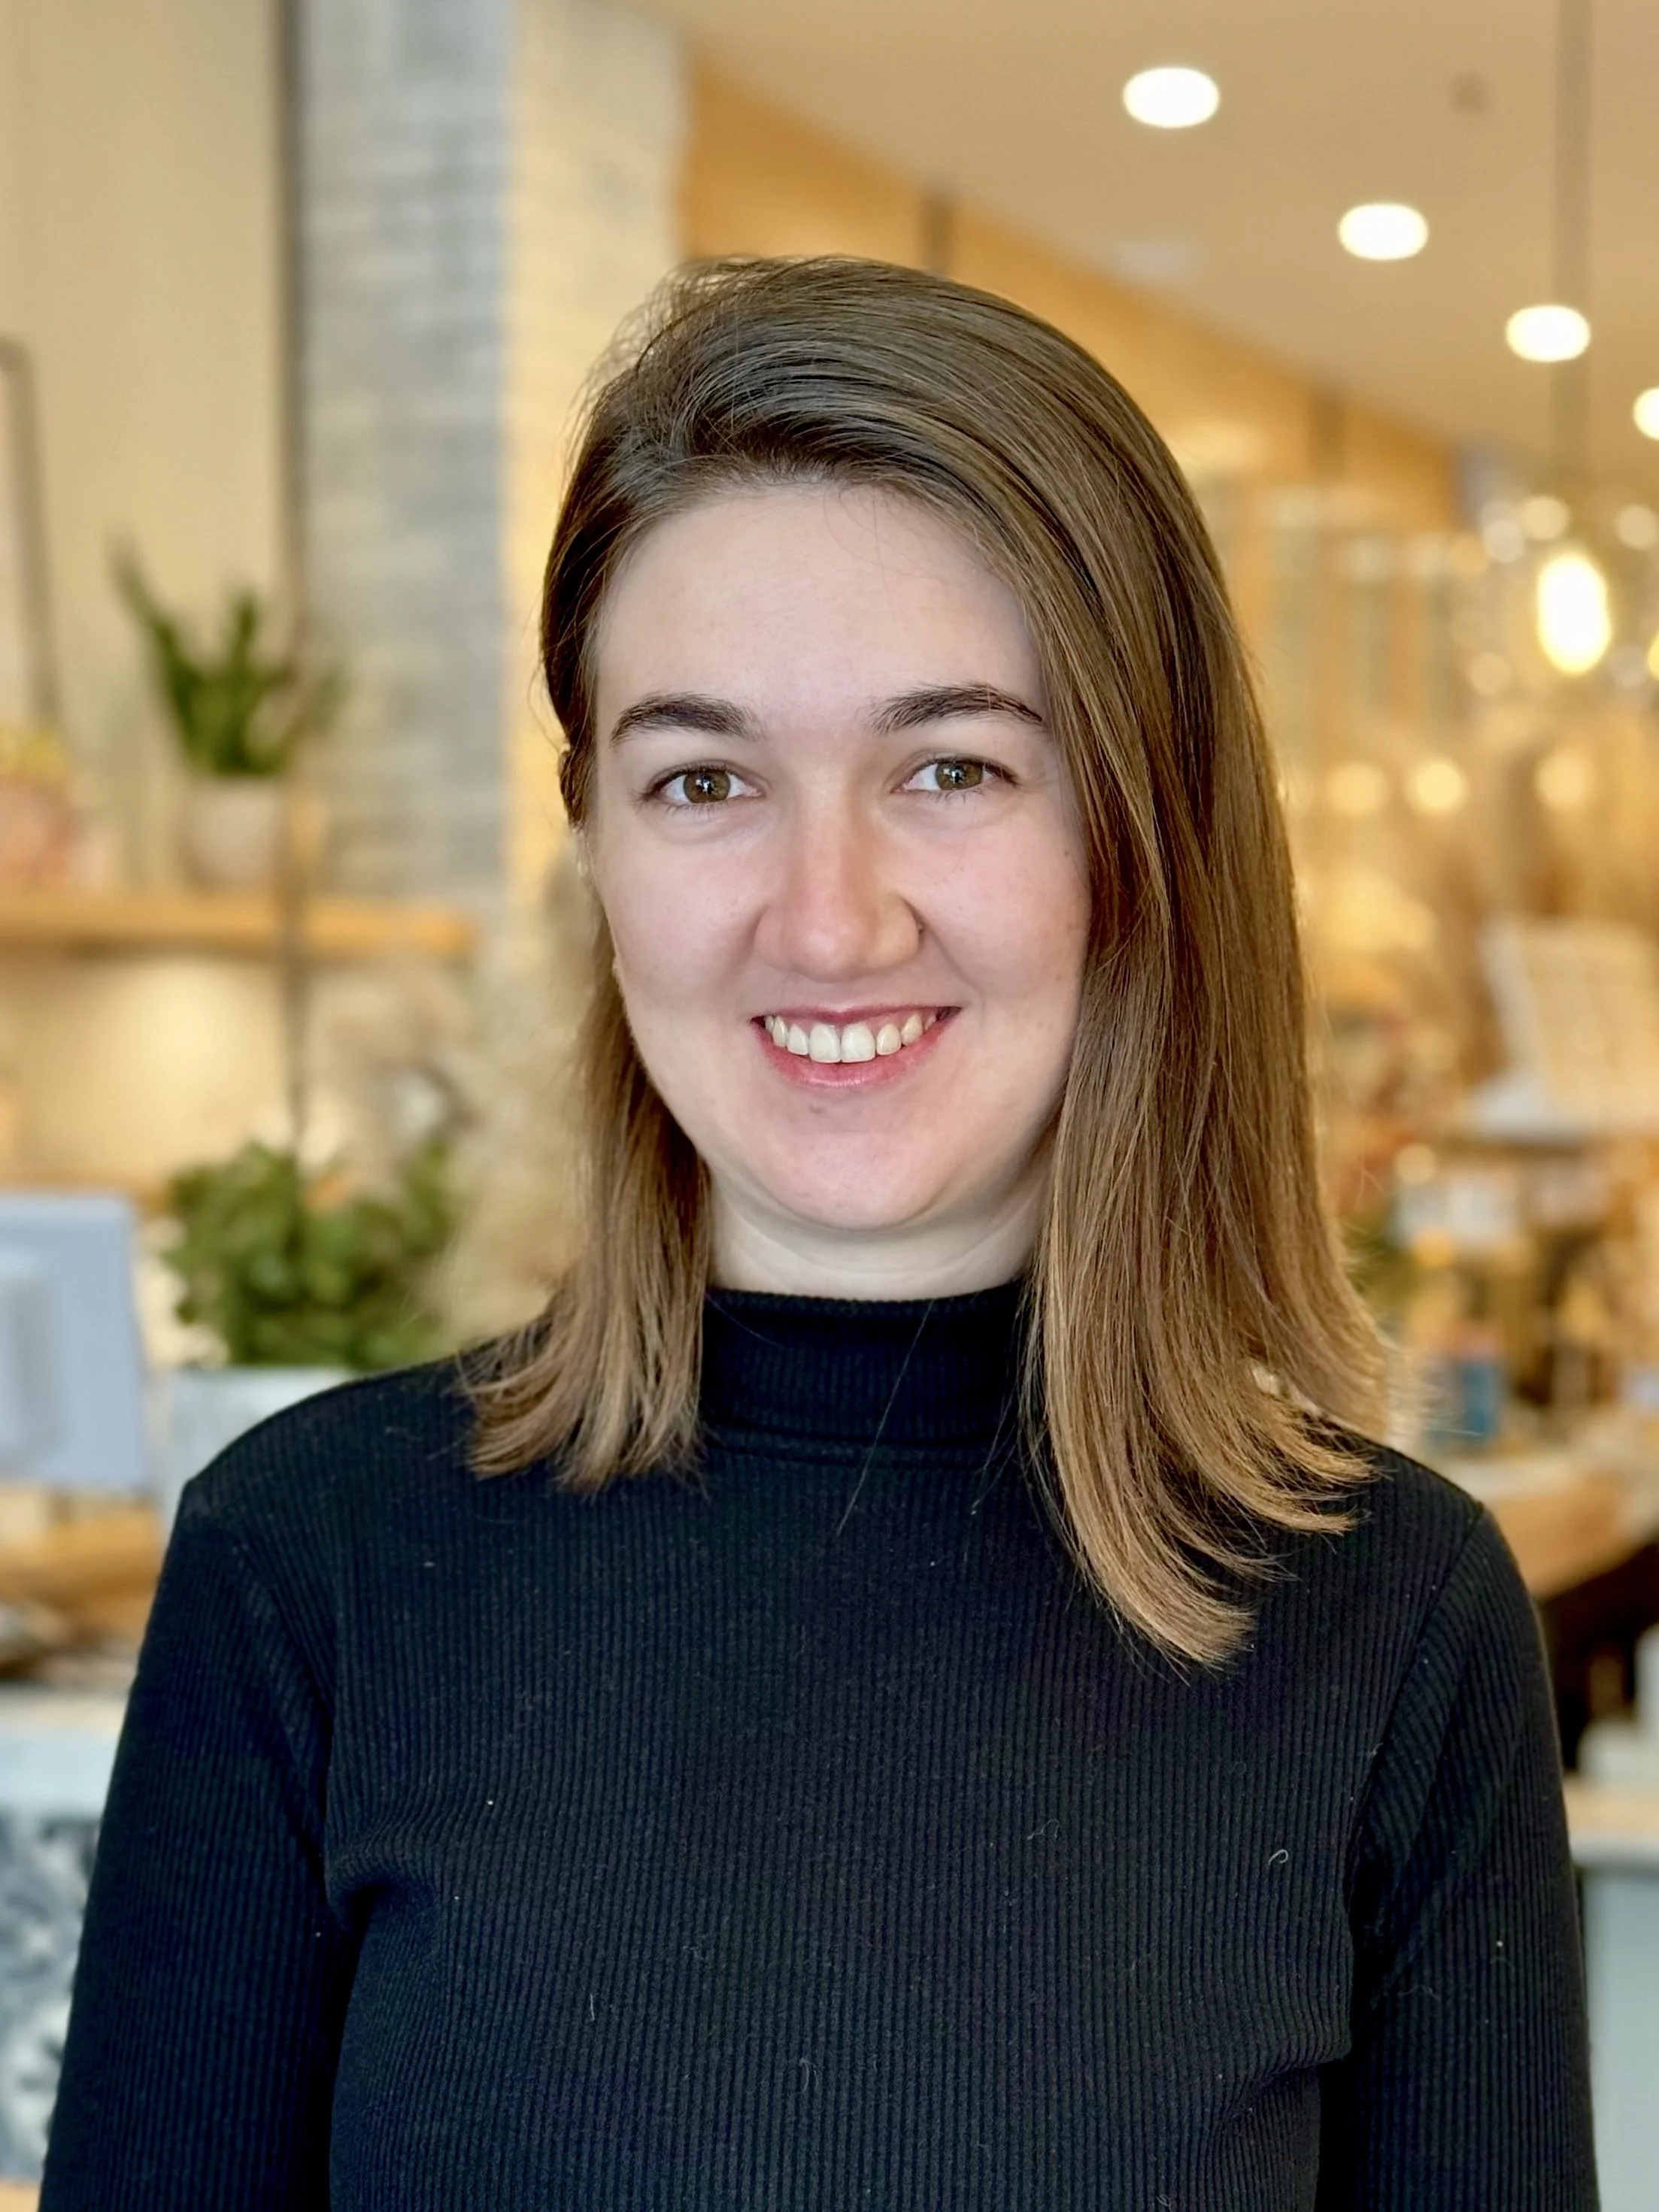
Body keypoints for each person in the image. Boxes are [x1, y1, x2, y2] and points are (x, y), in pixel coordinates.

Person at [42, 257, 1596, 2209]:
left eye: (948, 766)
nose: (828, 916)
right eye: (703, 778)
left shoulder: (1390, 1622)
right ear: (595, 844)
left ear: (1137, 833)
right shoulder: (312, 1566)